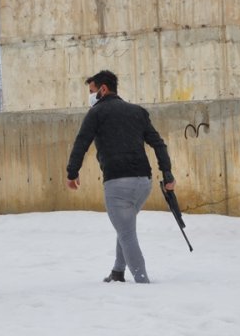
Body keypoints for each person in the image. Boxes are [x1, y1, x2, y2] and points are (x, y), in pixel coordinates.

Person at [65, 70, 176, 284]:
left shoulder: (96, 113)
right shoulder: (137, 112)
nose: (90, 96)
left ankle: (142, 281)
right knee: (125, 226)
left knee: (126, 233)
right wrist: (167, 173)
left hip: (117, 182)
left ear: (103, 89)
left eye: (91, 91)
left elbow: (82, 142)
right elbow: (158, 143)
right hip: (144, 182)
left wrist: (72, 172)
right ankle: (117, 271)